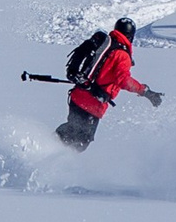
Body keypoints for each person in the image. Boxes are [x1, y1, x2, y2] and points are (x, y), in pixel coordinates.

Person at [57, 17, 160, 150]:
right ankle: (49, 154)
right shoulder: (122, 55)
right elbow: (123, 80)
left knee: (72, 130)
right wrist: (144, 91)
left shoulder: (105, 44)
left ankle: (48, 145)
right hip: (92, 104)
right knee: (80, 142)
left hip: (77, 97)